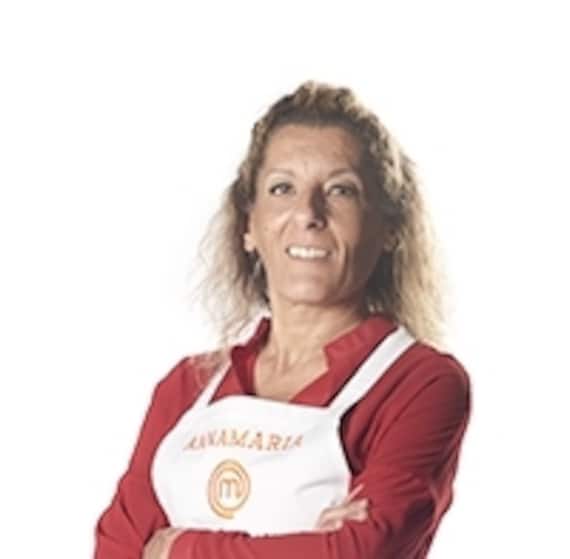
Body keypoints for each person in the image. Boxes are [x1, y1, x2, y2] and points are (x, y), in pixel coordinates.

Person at [94, 80, 471, 559]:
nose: (308, 213)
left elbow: (360, 552)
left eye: (341, 191)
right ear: (249, 225)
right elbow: (115, 549)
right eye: (282, 188)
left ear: (388, 228)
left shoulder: (419, 383)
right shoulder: (187, 387)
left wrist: (178, 548)